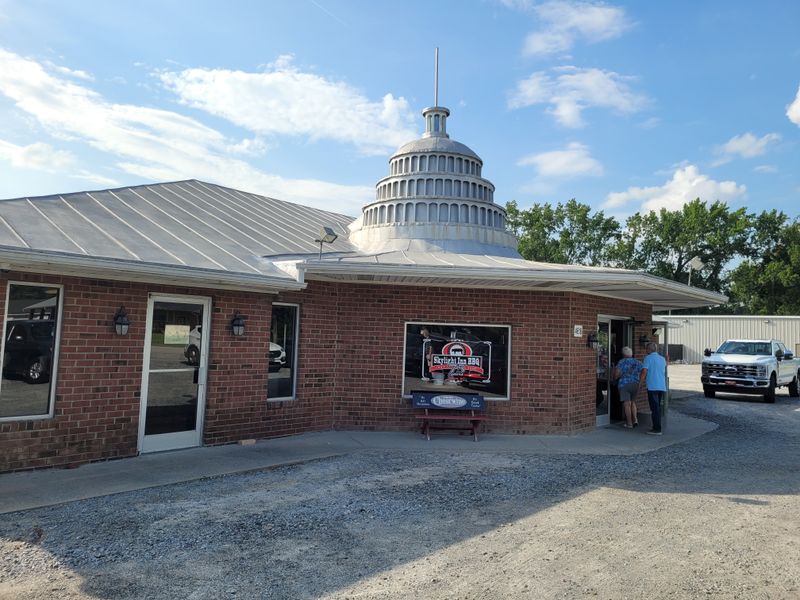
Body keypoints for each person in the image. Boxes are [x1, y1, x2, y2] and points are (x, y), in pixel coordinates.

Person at [640, 341, 667, 435]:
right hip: (661, 386)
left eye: (646, 349)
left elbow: (644, 371)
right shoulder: (662, 359)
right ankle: (656, 426)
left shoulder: (648, 358)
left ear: (649, 349)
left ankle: (657, 429)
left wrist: (640, 383)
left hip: (652, 386)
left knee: (654, 408)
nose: (645, 350)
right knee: (657, 407)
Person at [613, 346, 642, 428]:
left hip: (624, 384)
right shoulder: (638, 362)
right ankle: (635, 420)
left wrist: (615, 378)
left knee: (627, 404)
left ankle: (629, 423)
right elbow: (643, 371)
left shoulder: (621, 362)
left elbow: (616, 374)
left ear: (623, 354)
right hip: (635, 384)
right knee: (633, 402)